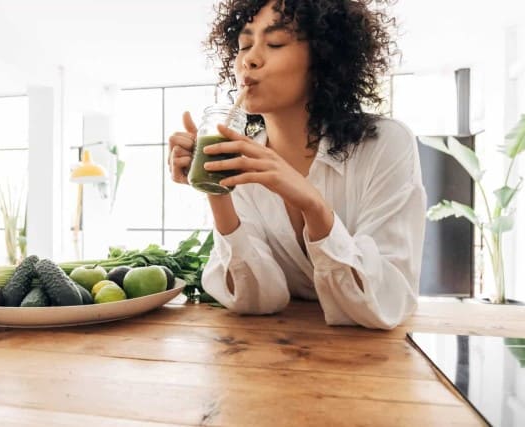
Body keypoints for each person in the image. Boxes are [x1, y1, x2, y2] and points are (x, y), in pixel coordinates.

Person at [167, 0, 426, 329]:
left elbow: (387, 302)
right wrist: (216, 189)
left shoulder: (385, 145)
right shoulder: (241, 159)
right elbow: (257, 301)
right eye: (244, 44)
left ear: (323, 58)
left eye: (274, 43)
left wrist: (314, 207)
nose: (250, 58)